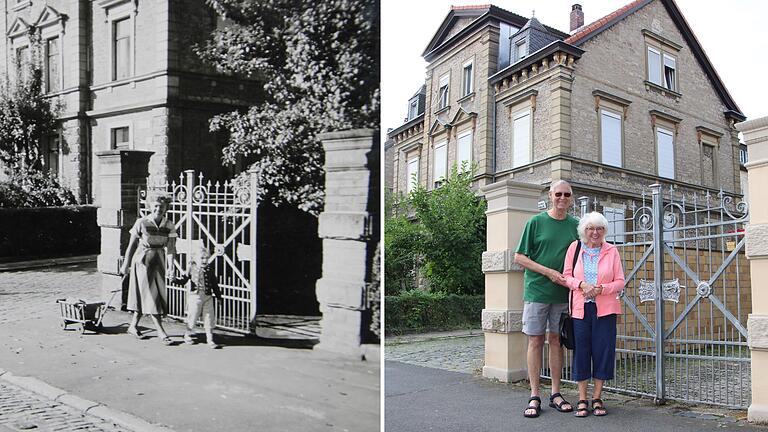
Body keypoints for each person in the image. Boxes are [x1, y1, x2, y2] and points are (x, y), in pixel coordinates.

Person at [514, 180, 579, 418]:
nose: (562, 198)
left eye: (567, 194)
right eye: (558, 194)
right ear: (551, 196)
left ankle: (555, 393)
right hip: (537, 292)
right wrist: (549, 272)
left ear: (571, 198)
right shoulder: (536, 222)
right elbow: (519, 257)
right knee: (535, 341)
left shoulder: (576, 225)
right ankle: (534, 395)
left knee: (556, 340)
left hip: (563, 294)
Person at [563, 211, 625, 417]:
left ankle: (597, 397)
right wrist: (581, 284)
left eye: (599, 228)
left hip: (605, 310)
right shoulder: (575, 248)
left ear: (604, 231)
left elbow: (620, 281)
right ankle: (582, 398)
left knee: (603, 351)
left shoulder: (612, 251)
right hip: (581, 310)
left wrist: (601, 289)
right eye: (590, 228)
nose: (595, 232)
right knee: (582, 351)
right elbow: (566, 277)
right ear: (584, 231)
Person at [120, 193, 177, 345]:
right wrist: (126, 264)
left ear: (166, 208)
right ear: (150, 206)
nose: (158, 209)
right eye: (156, 206)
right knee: (152, 295)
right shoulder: (142, 222)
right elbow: (131, 245)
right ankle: (161, 331)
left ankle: (133, 326)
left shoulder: (169, 225)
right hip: (142, 262)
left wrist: (171, 267)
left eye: (162, 206)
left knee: (146, 294)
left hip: (159, 261)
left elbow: (171, 249)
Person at [174, 244, 223, 349]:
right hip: (195, 297)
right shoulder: (191, 268)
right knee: (193, 317)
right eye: (202, 258)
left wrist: (219, 297)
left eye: (206, 258)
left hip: (208, 297)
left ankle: (210, 339)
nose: (205, 260)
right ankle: (187, 335)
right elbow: (184, 280)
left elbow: (214, 284)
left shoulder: (209, 269)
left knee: (209, 317)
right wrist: (174, 280)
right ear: (194, 259)